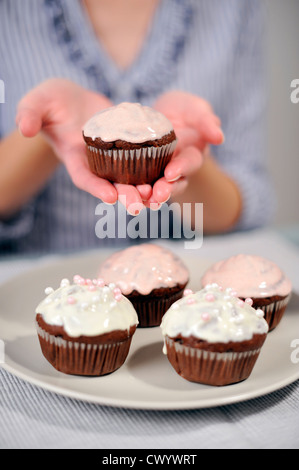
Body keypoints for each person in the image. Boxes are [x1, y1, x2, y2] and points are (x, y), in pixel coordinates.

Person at [0, 0, 273, 255]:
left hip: (183, 268)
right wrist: (47, 131)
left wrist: (188, 161)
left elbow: (248, 201)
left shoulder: (233, 8)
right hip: (39, 275)